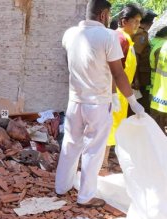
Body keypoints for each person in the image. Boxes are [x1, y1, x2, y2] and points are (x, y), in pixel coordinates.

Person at [55, 0, 145, 208]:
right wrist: (132, 100)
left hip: (75, 100)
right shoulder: (108, 36)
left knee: (70, 144)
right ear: (104, 15)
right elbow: (118, 73)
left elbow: (71, 63)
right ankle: (85, 197)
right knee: (93, 150)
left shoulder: (69, 34)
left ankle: (61, 187)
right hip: (98, 103)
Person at [104, 4, 143, 169]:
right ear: (123, 21)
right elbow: (114, 71)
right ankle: (102, 165)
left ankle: (106, 162)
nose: (137, 25)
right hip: (117, 93)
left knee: (115, 129)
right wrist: (113, 94)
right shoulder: (120, 39)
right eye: (134, 21)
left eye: (139, 22)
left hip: (123, 93)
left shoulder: (127, 40)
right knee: (109, 129)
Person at [132, 10, 158, 113]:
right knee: (142, 105)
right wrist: (136, 79)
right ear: (150, 23)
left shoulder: (139, 32)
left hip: (141, 76)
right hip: (141, 78)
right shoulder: (141, 34)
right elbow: (136, 56)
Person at [149, 27, 167, 134]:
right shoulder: (162, 46)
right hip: (161, 90)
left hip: (157, 89)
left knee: (157, 124)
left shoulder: (162, 45)